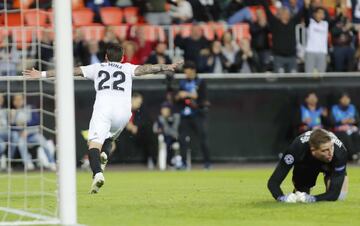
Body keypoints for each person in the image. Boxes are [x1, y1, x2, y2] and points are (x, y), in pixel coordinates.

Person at [22, 43, 183, 193]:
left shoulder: (97, 68)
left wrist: (41, 74)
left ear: (106, 56)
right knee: (110, 138)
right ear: (122, 58)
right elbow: (147, 68)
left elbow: (71, 71)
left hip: (103, 110)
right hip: (124, 113)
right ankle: (104, 155)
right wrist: (166, 67)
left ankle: (97, 173)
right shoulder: (127, 68)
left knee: (93, 144)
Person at [268, 128, 348, 203]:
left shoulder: (340, 152)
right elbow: (273, 182)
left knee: (340, 197)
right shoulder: (297, 148)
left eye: (331, 147)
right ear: (313, 150)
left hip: (331, 166)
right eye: (325, 150)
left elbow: (334, 194)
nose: (331, 153)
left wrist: (312, 198)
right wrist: (282, 198)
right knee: (300, 196)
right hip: (307, 165)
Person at [175, 61, 211, 169]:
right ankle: (184, 163)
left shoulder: (201, 82)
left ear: (193, 71)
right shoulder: (182, 83)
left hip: (197, 114)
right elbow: (176, 98)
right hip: (185, 114)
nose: (186, 74)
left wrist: (188, 95)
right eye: (185, 72)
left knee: (202, 138)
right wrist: (179, 96)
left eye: (188, 72)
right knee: (182, 139)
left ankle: (207, 163)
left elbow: (203, 99)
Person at [330, 92, 360, 161]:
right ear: (340, 100)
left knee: (356, 134)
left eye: (347, 98)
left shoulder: (352, 107)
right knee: (345, 135)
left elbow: (357, 119)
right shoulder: (334, 108)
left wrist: (353, 121)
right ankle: (353, 155)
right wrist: (342, 122)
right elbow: (331, 122)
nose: (346, 100)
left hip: (351, 129)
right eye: (344, 98)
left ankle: (358, 153)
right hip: (338, 130)